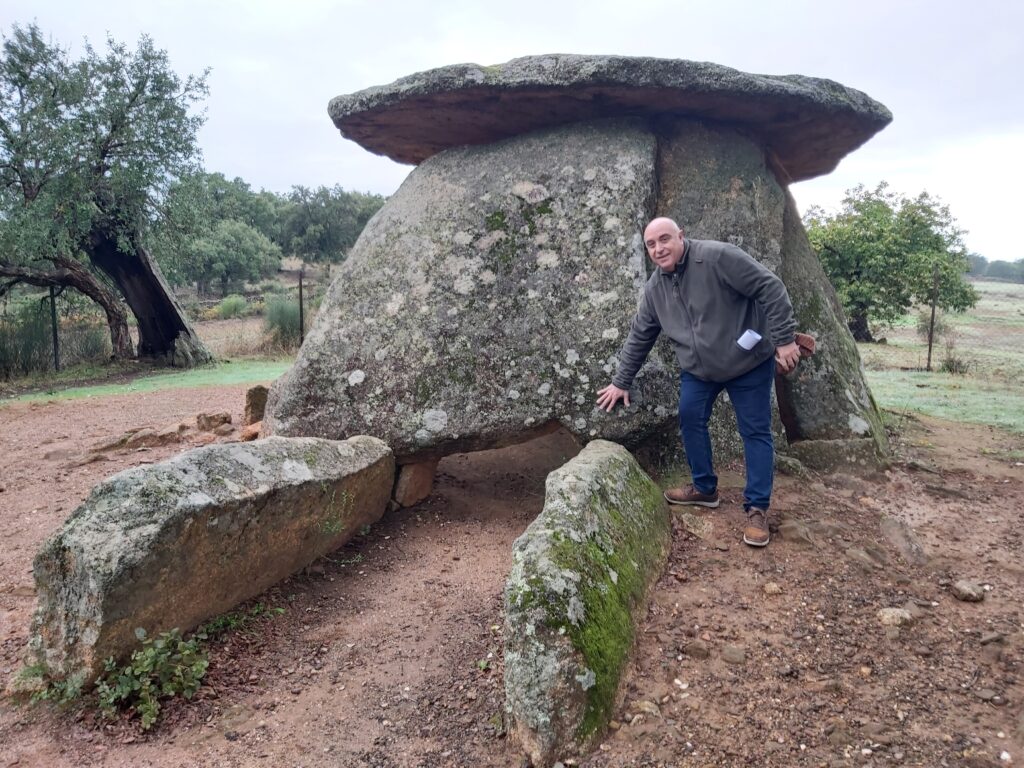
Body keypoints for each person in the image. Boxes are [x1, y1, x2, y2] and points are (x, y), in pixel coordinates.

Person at [596, 217, 801, 547]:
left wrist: (784, 339)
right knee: (690, 418)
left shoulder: (718, 258)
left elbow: (770, 287)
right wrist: (621, 381)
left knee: (755, 431)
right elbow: (640, 336)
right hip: (699, 370)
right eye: (651, 244)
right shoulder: (655, 289)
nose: (659, 248)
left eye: (665, 239)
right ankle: (705, 489)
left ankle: (757, 508)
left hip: (748, 362)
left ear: (681, 236)